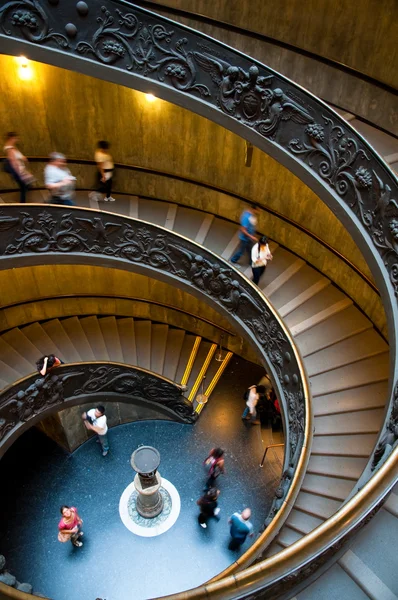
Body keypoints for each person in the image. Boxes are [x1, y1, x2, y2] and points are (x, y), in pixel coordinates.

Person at [3, 132, 35, 203]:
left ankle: (22, 202)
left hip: (19, 169)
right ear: (12, 138)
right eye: (16, 138)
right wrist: (19, 172)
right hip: (18, 169)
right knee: (25, 186)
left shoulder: (12, 147)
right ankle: (22, 203)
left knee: (25, 186)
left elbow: (17, 157)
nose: (17, 139)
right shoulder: (9, 148)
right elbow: (13, 160)